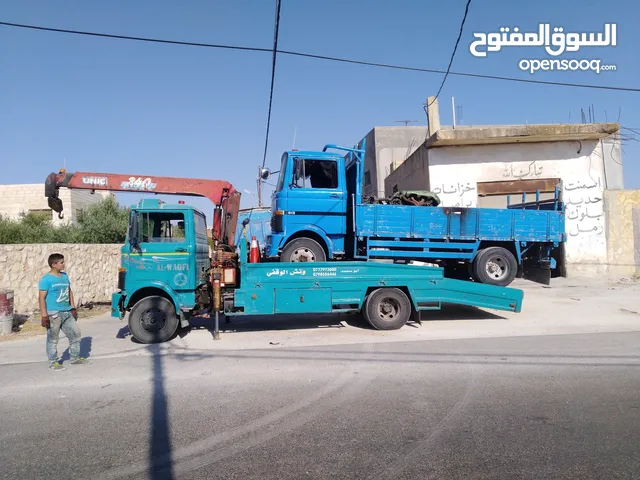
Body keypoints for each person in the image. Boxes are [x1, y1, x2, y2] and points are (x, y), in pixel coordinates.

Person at [38, 253, 91, 371]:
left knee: (76, 333)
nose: (64, 264)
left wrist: (73, 308)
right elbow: (41, 298)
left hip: (67, 311)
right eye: (61, 262)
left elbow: (69, 291)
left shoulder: (65, 276)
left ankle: (75, 358)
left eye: (63, 262)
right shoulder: (46, 279)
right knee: (53, 339)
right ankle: (54, 362)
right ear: (54, 264)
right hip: (53, 314)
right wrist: (44, 315)